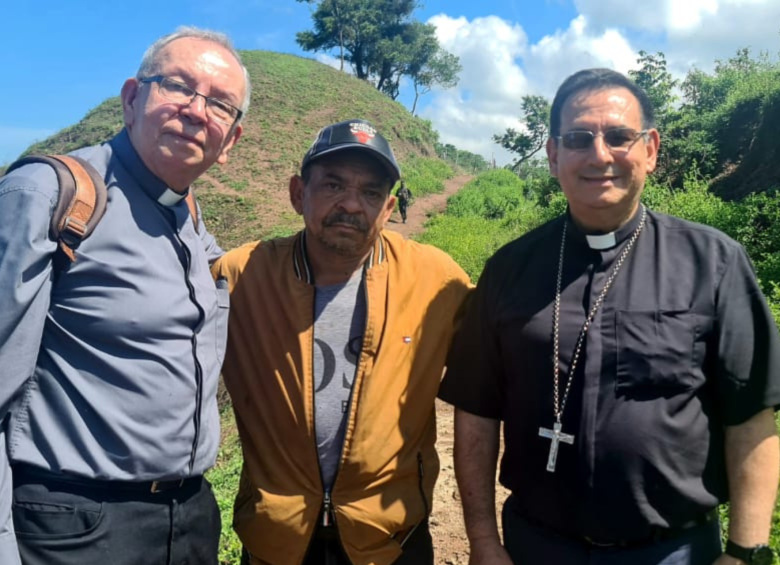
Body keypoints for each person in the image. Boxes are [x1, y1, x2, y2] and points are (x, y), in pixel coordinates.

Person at [439, 68, 780, 565]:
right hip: (536, 546)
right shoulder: (510, 269)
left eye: (619, 136)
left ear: (651, 149)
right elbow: (475, 413)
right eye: (579, 139)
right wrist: (484, 543)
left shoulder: (715, 263)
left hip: (673, 552)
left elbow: (751, 415)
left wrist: (746, 551)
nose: (600, 155)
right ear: (554, 155)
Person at [0, 26, 250, 565]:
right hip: (77, 526)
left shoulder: (191, 219)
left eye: (220, 105)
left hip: (188, 519)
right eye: (178, 86)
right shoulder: (51, 195)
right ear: (133, 98)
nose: (195, 110)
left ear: (230, 142)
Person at [212, 118, 472, 565]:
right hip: (278, 538)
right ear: (298, 193)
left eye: (371, 193)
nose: (352, 204)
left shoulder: (438, 281)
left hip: (392, 537)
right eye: (333, 185)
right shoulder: (240, 277)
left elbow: (492, 378)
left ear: (389, 208)